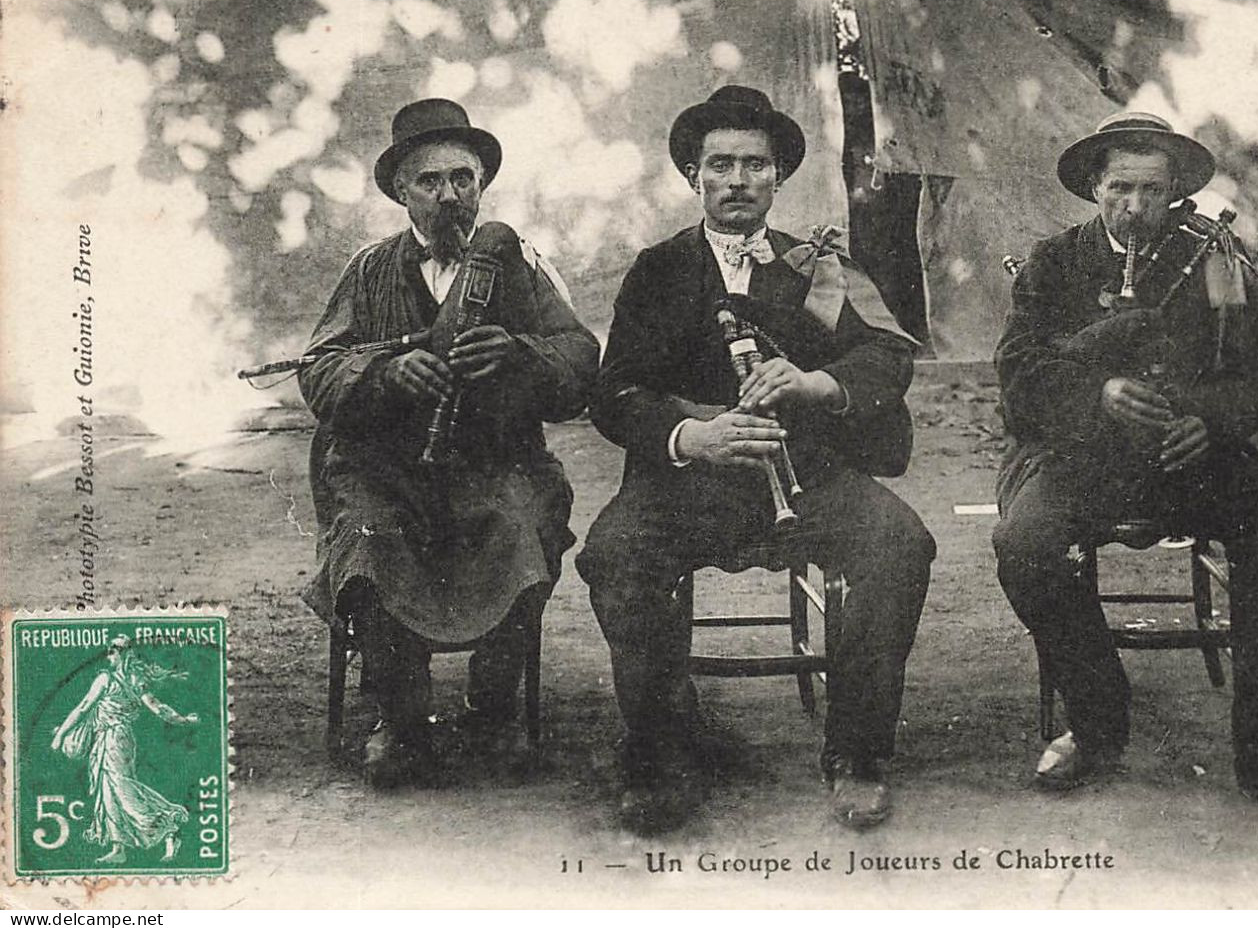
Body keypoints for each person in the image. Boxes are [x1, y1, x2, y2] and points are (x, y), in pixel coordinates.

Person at [576, 85, 934, 835]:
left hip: (805, 477)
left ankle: (857, 756)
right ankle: (660, 754)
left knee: (897, 541)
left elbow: (888, 356)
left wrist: (817, 382)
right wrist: (686, 433)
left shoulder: (818, 267)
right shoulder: (657, 268)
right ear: (692, 176)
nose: (737, 180)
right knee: (614, 552)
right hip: (684, 484)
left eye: (755, 166)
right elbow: (614, 393)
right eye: (720, 165)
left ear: (777, 179)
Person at [993, 111, 1258, 833]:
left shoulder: (1213, 257)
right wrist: (1098, 394)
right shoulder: (1051, 262)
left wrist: (1208, 420)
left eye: (1152, 191)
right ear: (1095, 185)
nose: (1135, 206)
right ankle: (1094, 721)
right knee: (1024, 545)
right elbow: (1019, 378)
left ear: (1174, 190)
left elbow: (1253, 375)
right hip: (1079, 455)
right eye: (1120, 187)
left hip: (1189, 458)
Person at [299, 98, 600, 788]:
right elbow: (317, 367)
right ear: (402, 191)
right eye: (430, 182)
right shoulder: (371, 270)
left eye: (462, 179)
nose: (449, 196)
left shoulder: (519, 264)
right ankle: (400, 721)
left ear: (481, 186)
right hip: (386, 470)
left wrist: (520, 352)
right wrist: (384, 371)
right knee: (369, 538)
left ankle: (490, 710)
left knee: (526, 527)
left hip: (494, 463)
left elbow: (581, 358)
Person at [51, 636, 199, 864]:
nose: (109, 655)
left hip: (114, 740)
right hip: (114, 740)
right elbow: (158, 708)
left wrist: (61, 734)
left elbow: (83, 708)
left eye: (113, 651)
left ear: (124, 653)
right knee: (108, 791)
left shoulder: (106, 678)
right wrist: (184, 720)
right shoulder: (134, 679)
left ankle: (169, 825)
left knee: (121, 789)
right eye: (109, 651)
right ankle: (118, 848)